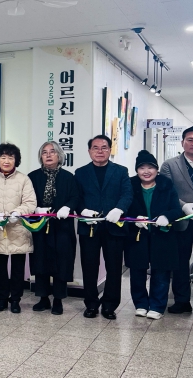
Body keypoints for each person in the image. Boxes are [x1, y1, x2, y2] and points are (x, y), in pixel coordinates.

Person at [160, 125, 193, 320]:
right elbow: (166, 191)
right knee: (179, 263)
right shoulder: (169, 165)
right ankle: (182, 301)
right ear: (182, 142)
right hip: (180, 222)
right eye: (190, 139)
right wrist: (183, 206)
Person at [75, 135, 132, 320]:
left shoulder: (121, 171)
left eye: (104, 147)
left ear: (110, 149)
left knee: (114, 268)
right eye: (95, 147)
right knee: (89, 267)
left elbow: (127, 194)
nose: (100, 151)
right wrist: (83, 211)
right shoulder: (80, 172)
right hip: (89, 227)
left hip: (114, 226)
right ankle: (91, 304)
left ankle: (109, 305)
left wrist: (119, 209)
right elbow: (76, 197)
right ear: (89, 151)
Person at [126, 150, 183, 320]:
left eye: (150, 167)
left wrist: (166, 216)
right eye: (141, 167)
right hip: (138, 236)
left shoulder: (166, 184)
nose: (146, 171)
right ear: (137, 170)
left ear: (157, 169)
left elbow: (176, 209)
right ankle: (141, 304)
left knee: (161, 272)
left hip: (162, 235)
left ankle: (157, 306)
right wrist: (134, 219)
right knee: (137, 271)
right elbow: (124, 208)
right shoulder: (130, 185)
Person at [28, 141, 79, 315]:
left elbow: (75, 197)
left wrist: (68, 207)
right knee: (40, 261)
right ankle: (43, 298)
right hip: (40, 226)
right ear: (40, 157)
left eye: (52, 152)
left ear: (59, 155)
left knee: (62, 262)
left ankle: (58, 299)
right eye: (44, 152)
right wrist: (35, 209)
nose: (48, 155)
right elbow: (27, 198)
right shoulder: (32, 177)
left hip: (62, 227)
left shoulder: (69, 177)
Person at [0, 143, 36, 314]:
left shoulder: (24, 179)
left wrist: (18, 212)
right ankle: (1, 299)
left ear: (16, 160)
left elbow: (30, 202)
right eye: (3, 157)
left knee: (18, 268)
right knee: (0, 268)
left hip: (18, 229)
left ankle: (15, 300)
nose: (6, 161)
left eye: (10, 157)